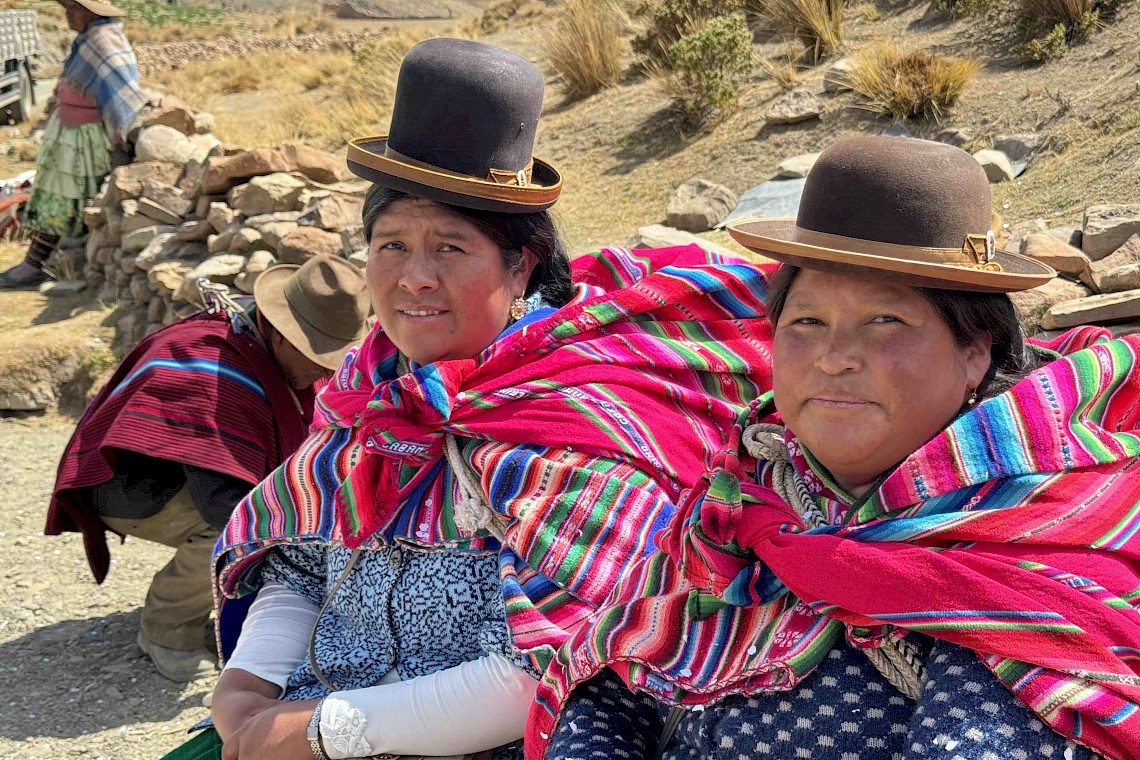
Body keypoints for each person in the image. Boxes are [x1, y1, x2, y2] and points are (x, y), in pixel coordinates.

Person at [161, 39, 777, 760]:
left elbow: (543, 662)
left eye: (450, 248)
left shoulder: (580, 417)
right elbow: (300, 562)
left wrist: (323, 733)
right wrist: (247, 687)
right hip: (301, 713)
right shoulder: (369, 390)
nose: (413, 277)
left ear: (521, 268)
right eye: (391, 245)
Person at [533, 136, 1140, 760]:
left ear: (974, 350)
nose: (834, 357)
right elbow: (619, 678)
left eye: (886, 322)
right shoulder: (744, 494)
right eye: (806, 322)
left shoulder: (1025, 548)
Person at [46, 256, 371, 682]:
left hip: (184, 483)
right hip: (132, 488)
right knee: (235, 533)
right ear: (278, 331)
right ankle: (167, 632)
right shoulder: (213, 370)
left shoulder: (260, 348)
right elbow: (224, 506)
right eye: (315, 355)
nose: (324, 371)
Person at [0, 0, 145, 288]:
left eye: (70, 10)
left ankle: (35, 264)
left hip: (83, 139)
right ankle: (45, 261)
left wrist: (120, 140)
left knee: (62, 199)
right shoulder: (89, 39)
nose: (66, 15)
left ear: (86, 12)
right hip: (69, 135)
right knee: (56, 196)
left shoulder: (103, 41)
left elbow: (119, 93)